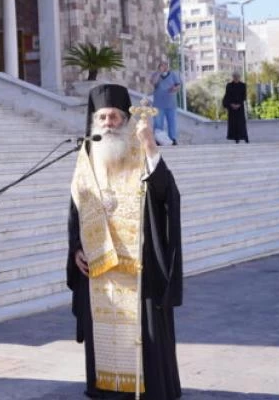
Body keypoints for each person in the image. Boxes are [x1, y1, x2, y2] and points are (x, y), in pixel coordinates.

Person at [66, 84, 183, 399]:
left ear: (125, 119)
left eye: (114, 117)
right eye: (102, 117)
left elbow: (166, 196)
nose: (107, 123)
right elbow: (76, 211)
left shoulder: (141, 151)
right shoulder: (86, 158)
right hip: (98, 269)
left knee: (145, 338)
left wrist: (150, 147)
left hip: (138, 268)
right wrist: (76, 247)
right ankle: (105, 388)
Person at [150, 61, 182, 145]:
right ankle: (158, 140)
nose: (165, 67)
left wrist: (175, 88)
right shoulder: (155, 75)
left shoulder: (173, 74)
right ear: (159, 67)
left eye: (166, 65)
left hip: (171, 104)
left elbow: (178, 85)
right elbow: (153, 83)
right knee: (158, 124)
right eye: (163, 65)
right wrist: (159, 73)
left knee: (172, 123)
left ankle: (173, 139)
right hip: (158, 104)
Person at [222, 72, 249, 143]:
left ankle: (245, 138)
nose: (236, 78)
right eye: (234, 77)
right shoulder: (229, 85)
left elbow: (244, 96)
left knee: (241, 123)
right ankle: (236, 138)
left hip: (240, 107)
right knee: (233, 123)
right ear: (233, 77)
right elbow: (227, 96)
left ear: (239, 77)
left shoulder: (243, 85)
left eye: (237, 77)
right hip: (232, 108)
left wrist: (239, 104)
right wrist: (231, 104)